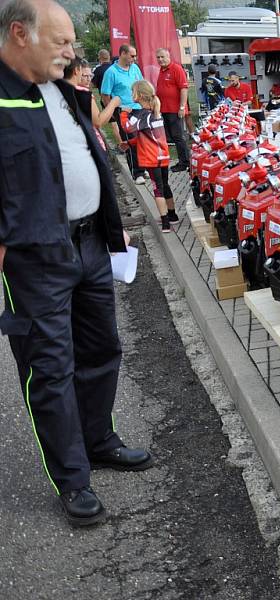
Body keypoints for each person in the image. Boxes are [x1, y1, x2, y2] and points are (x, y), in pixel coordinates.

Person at [0, 0, 152, 528]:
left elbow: (86, 157)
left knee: (102, 347)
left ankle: (99, 438)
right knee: (51, 370)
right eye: (62, 42)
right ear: (19, 34)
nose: (72, 52)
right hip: (36, 259)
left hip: (89, 246)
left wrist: (109, 219)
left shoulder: (63, 89)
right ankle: (73, 479)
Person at [123, 80, 177, 232]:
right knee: (165, 185)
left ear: (139, 95)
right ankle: (173, 215)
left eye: (133, 92)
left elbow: (128, 127)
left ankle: (165, 222)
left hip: (152, 158)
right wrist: (132, 143)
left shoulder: (141, 114)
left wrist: (123, 113)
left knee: (157, 189)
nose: (131, 95)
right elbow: (149, 135)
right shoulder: (155, 113)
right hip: (163, 156)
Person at [100, 44, 146, 183]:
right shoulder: (111, 72)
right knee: (130, 141)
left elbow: (141, 85)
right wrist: (112, 110)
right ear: (123, 54)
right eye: (132, 56)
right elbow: (105, 94)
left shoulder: (135, 68)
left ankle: (144, 168)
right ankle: (136, 173)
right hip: (124, 110)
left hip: (139, 108)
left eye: (135, 56)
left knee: (143, 139)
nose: (134, 58)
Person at [64, 57, 119, 152]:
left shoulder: (65, 91)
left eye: (91, 76)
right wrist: (113, 103)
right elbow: (98, 122)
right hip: (91, 143)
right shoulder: (83, 93)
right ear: (77, 72)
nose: (89, 79)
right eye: (85, 76)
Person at [155, 47, 190, 172]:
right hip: (165, 110)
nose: (160, 59)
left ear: (168, 57)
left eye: (162, 57)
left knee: (178, 136)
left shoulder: (176, 69)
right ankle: (182, 160)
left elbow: (184, 89)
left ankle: (184, 162)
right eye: (158, 57)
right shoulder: (161, 70)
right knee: (173, 137)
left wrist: (182, 107)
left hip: (175, 110)